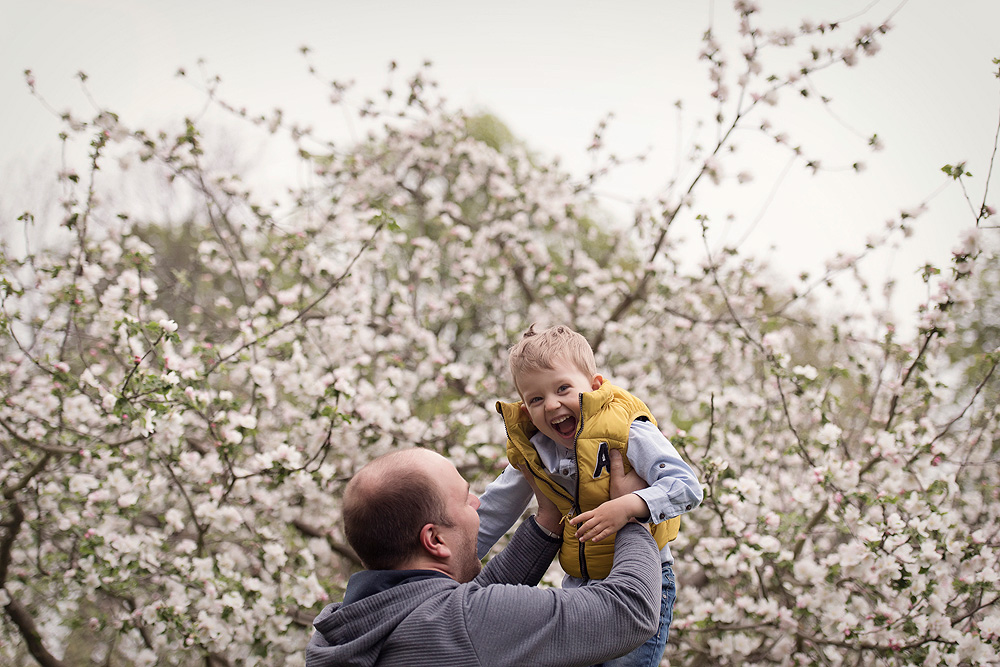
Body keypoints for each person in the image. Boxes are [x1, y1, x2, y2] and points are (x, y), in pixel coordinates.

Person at [306, 446, 663, 667]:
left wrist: (547, 524)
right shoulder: (465, 624)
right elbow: (629, 611)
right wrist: (630, 515)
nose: (477, 503)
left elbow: (459, 610)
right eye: (464, 499)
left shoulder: (337, 633)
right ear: (434, 540)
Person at [478, 324, 704, 667]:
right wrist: (449, 566)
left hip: (644, 579)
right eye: (536, 399)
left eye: (563, 388)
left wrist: (629, 506)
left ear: (595, 385)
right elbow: (495, 509)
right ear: (524, 407)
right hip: (579, 584)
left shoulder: (626, 430)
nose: (552, 405)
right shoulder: (536, 450)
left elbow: (686, 486)